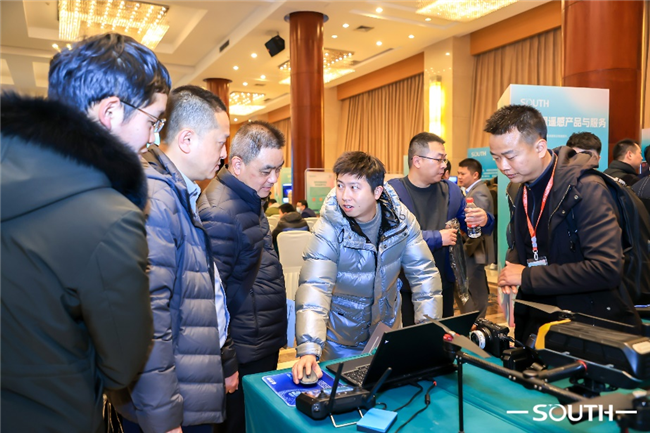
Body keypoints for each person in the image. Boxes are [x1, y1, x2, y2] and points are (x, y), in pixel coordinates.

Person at [1, 33, 170, 432]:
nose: (152, 139)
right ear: (111, 111)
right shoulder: (110, 218)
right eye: (153, 121)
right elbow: (121, 367)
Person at [110, 86, 235, 433]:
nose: (224, 153)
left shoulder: (176, 191)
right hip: (169, 405)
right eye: (220, 142)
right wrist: (163, 417)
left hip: (185, 388)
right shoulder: (157, 199)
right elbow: (148, 318)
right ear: (187, 140)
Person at [485, 104, 642, 343]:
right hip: (537, 320)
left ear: (540, 148)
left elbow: (606, 269)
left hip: (586, 326)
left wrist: (527, 276)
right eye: (496, 157)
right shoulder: (517, 188)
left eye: (510, 156)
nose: (503, 166)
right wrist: (512, 269)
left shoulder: (586, 188)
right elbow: (527, 242)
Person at [292, 151, 443, 383]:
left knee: (390, 394)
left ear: (377, 192)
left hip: (386, 332)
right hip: (341, 340)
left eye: (354, 187)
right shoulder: (329, 228)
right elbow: (315, 286)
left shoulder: (401, 221)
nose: (345, 196)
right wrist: (309, 348)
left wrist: (427, 333)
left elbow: (424, 275)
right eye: (340, 185)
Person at [199, 121, 287, 433]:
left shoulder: (248, 198)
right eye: (266, 170)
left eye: (278, 169)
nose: (274, 179)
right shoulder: (219, 212)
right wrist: (227, 362)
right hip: (242, 352)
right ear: (237, 165)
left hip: (258, 342)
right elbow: (210, 299)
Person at [388, 133, 494, 319]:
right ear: (417, 161)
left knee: (441, 334)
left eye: (444, 159)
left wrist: (484, 220)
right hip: (405, 287)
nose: (444, 165)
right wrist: (438, 237)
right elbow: (393, 236)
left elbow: (470, 225)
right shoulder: (394, 192)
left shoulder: (450, 190)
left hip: (443, 286)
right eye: (439, 159)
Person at [456, 158, 495, 319]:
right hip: (474, 250)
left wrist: (465, 251)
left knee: (475, 290)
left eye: (462, 173)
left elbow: (477, 228)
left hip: (475, 250)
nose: (459, 177)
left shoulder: (478, 192)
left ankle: (477, 322)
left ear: (475, 175)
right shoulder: (472, 191)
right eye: (458, 173)